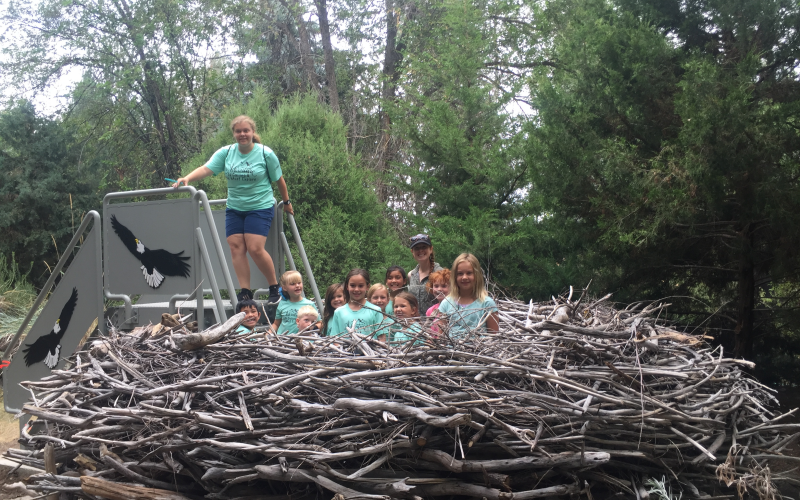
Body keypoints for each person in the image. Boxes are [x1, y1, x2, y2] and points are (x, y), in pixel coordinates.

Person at [173, 115, 293, 306]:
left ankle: (274, 287)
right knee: (236, 247)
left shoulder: (265, 153)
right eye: (238, 131)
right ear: (234, 134)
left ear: (253, 132)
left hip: (260, 206)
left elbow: (279, 179)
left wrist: (286, 202)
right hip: (235, 208)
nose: (242, 134)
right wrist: (187, 178)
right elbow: (206, 169)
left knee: (254, 248)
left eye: (246, 130)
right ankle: (245, 292)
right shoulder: (227, 153)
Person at [438, 253, 499, 337]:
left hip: (480, 349)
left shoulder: (487, 304)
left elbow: (494, 338)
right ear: (454, 276)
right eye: (460, 274)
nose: (464, 277)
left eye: (469, 273)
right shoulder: (446, 304)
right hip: (452, 349)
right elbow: (441, 338)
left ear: (477, 275)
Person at [327, 269, 383, 337]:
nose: (356, 289)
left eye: (360, 286)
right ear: (347, 286)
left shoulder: (375, 310)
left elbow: (381, 337)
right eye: (353, 285)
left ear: (367, 287)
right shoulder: (339, 312)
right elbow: (334, 338)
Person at [407, 234, 443, 314]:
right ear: (412, 252)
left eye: (424, 247)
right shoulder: (411, 275)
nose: (420, 250)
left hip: (435, 323)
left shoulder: (440, 273)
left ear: (430, 249)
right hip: (414, 324)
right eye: (417, 248)